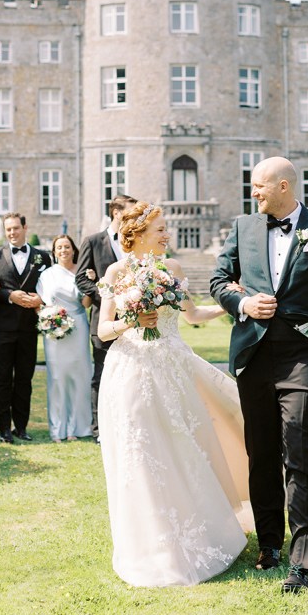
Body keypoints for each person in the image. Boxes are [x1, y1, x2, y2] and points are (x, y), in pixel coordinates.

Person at [210, 156, 308, 594]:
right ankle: (269, 542)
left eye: (259, 186)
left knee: (299, 445)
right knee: (261, 451)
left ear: (285, 187)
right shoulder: (243, 227)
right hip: (253, 354)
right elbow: (218, 279)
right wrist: (242, 305)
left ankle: (302, 560)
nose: (254, 193)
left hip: (303, 354)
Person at [97, 201, 252, 587]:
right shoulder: (116, 272)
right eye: (160, 230)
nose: (167, 235)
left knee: (185, 449)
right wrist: (132, 320)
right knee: (143, 453)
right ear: (135, 235)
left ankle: (199, 530)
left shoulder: (174, 269)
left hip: (175, 369)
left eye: (166, 229)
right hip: (131, 371)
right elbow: (102, 330)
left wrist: (235, 304)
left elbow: (193, 315)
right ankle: (150, 542)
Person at [0, 213, 51, 443]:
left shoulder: (42, 257)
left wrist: (40, 299)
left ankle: (20, 427)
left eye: (15, 228)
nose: (12, 233)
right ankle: (4, 429)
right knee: (2, 378)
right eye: (8, 229)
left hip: (29, 328)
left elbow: (49, 288)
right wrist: (9, 295)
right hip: (3, 328)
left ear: (25, 227)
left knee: (25, 378)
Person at [74, 194, 136, 443]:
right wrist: (108, 294)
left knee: (131, 374)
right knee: (102, 375)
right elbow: (81, 278)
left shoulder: (136, 240)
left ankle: (127, 424)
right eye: (131, 212)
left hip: (134, 322)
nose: (136, 217)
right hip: (104, 319)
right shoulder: (93, 241)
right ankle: (100, 429)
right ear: (117, 213)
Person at [37, 234, 92, 442]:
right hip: (54, 330)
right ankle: (57, 429)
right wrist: (50, 320)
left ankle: (77, 427)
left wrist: (91, 280)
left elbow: (86, 304)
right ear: (54, 251)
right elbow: (42, 303)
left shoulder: (81, 272)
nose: (63, 250)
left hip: (78, 327)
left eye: (67, 247)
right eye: (59, 247)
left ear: (73, 249)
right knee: (58, 378)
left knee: (79, 377)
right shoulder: (47, 275)